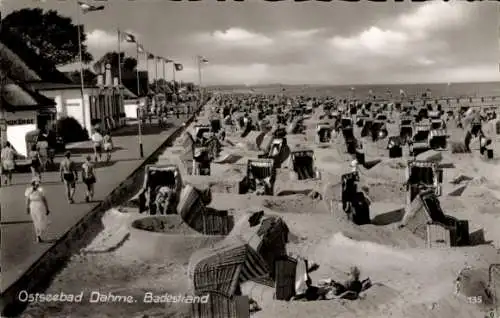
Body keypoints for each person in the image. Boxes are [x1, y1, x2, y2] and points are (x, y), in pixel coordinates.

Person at [25, 176, 50, 243]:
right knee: (37, 221)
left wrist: (47, 208)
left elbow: (44, 199)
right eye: (36, 184)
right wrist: (27, 207)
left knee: (39, 220)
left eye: (38, 184)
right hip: (35, 206)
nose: (37, 185)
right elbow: (27, 200)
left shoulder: (40, 190)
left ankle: (38, 235)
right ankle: (38, 235)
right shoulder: (29, 190)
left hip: (37, 206)